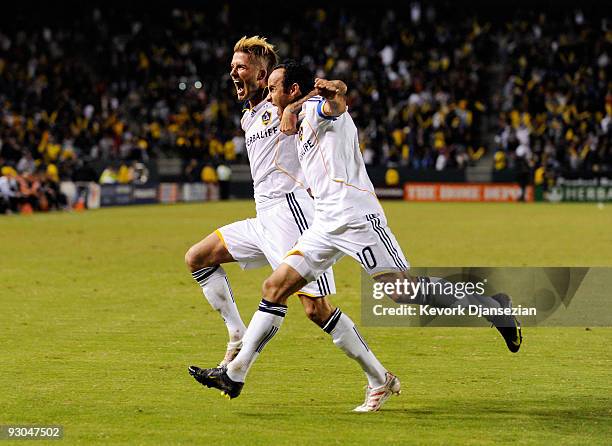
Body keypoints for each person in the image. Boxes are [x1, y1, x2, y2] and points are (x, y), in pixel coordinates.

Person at [191, 60, 523, 412]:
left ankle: (492, 307)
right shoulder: (293, 117)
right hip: (323, 224)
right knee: (274, 288)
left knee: (402, 292)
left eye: (274, 88)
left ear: (292, 89)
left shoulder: (318, 109)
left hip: (356, 217)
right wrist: (287, 109)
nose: (268, 95)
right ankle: (236, 374)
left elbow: (336, 100)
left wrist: (332, 91)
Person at [186, 38, 391, 397]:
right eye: (232, 65)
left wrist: (291, 106)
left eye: (241, 66)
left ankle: (379, 377)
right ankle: (236, 336)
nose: (233, 71)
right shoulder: (249, 114)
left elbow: (323, 92)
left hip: (291, 212)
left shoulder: (287, 102)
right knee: (198, 258)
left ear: (262, 74)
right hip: (262, 217)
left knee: (314, 309)